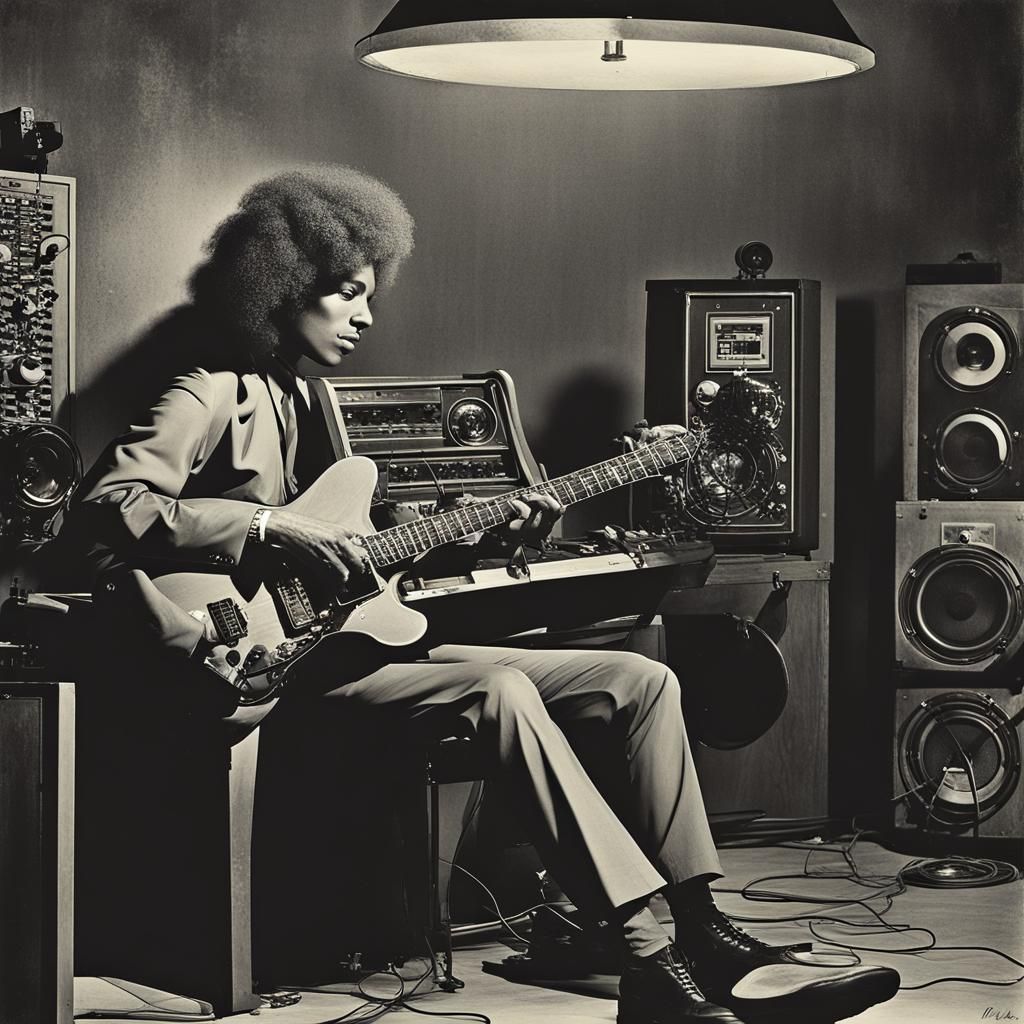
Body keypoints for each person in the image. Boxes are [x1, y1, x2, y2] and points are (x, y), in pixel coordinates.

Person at [68, 166, 899, 1024]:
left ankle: (702, 924)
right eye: (348, 294)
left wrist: (491, 531)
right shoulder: (206, 390)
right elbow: (105, 508)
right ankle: (648, 958)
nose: (365, 316)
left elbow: (362, 558)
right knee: (498, 689)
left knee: (641, 680)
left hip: (343, 647)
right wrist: (268, 526)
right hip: (260, 667)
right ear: (282, 287)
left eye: (370, 296)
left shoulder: (306, 399)